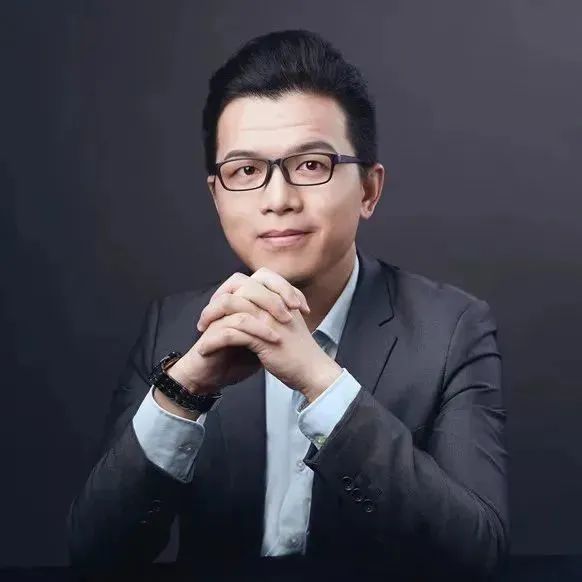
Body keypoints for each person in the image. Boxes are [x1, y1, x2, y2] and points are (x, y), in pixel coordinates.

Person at [66, 29, 509, 578]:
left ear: (369, 190)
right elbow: (94, 557)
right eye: (246, 171)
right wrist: (184, 394)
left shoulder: (452, 329)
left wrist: (321, 382)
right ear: (216, 194)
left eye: (311, 165)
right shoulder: (174, 328)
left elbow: (476, 556)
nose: (278, 200)